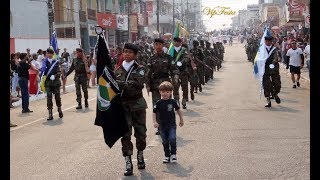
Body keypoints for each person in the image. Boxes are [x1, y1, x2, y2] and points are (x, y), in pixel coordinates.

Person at [114, 43, 148, 176]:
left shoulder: (140, 69)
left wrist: (120, 84)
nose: (126, 54)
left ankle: (140, 155)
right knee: (125, 135)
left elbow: (138, 84)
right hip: (123, 107)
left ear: (135, 55)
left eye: (129, 52)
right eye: (125, 52)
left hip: (137, 105)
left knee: (141, 133)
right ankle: (128, 162)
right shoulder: (117, 70)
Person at [146, 38, 179, 135]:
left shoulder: (168, 58)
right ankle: (159, 126)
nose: (158, 46)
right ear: (154, 46)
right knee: (157, 106)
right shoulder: (151, 59)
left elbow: (174, 69)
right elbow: (148, 73)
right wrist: (147, 85)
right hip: (155, 84)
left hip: (166, 84)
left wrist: (175, 78)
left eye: (160, 44)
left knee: (168, 106)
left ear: (163, 46)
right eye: (156, 44)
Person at [153, 81, 184, 163]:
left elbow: (178, 110)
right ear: (160, 92)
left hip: (172, 125)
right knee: (165, 141)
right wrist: (155, 121)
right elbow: (154, 112)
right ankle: (167, 155)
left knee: (172, 139)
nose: (165, 94)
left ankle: (173, 155)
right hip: (162, 126)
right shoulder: (158, 103)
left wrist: (181, 120)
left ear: (171, 92)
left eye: (167, 92)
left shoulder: (173, 102)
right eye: (163, 92)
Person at [40, 48, 63, 120]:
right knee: (49, 97)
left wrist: (55, 75)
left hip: (56, 83)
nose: (49, 54)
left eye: (50, 53)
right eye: (48, 53)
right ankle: (50, 114)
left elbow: (59, 72)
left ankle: (59, 109)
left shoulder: (56, 62)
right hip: (48, 83)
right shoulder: (44, 63)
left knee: (57, 98)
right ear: (46, 54)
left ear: (53, 54)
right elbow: (42, 73)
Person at [262, 35, 282, 107]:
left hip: (274, 68)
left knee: (277, 85)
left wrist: (275, 60)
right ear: (265, 41)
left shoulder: (275, 49)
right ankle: (268, 100)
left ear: (271, 41)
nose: (268, 42)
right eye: (266, 41)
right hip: (265, 68)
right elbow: (257, 58)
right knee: (266, 85)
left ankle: (275, 94)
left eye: (269, 41)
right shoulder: (262, 49)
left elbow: (278, 57)